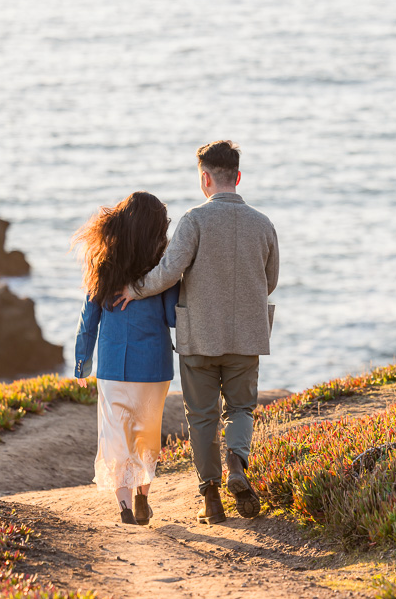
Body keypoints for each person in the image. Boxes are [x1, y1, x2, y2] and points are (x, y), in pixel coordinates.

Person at [114, 140, 278, 525]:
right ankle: (236, 462)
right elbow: (269, 282)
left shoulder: (193, 220)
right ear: (237, 177)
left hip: (199, 337)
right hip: (247, 336)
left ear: (205, 179)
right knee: (240, 409)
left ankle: (211, 498)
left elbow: (168, 274)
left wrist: (132, 289)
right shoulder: (263, 223)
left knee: (202, 418)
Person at [72, 191, 180, 526]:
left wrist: (81, 362)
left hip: (114, 365)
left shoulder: (103, 265)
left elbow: (88, 319)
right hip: (154, 364)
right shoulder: (159, 269)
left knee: (115, 434)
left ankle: (123, 509)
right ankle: (142, 497)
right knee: (146, 433)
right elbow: (173, 318)